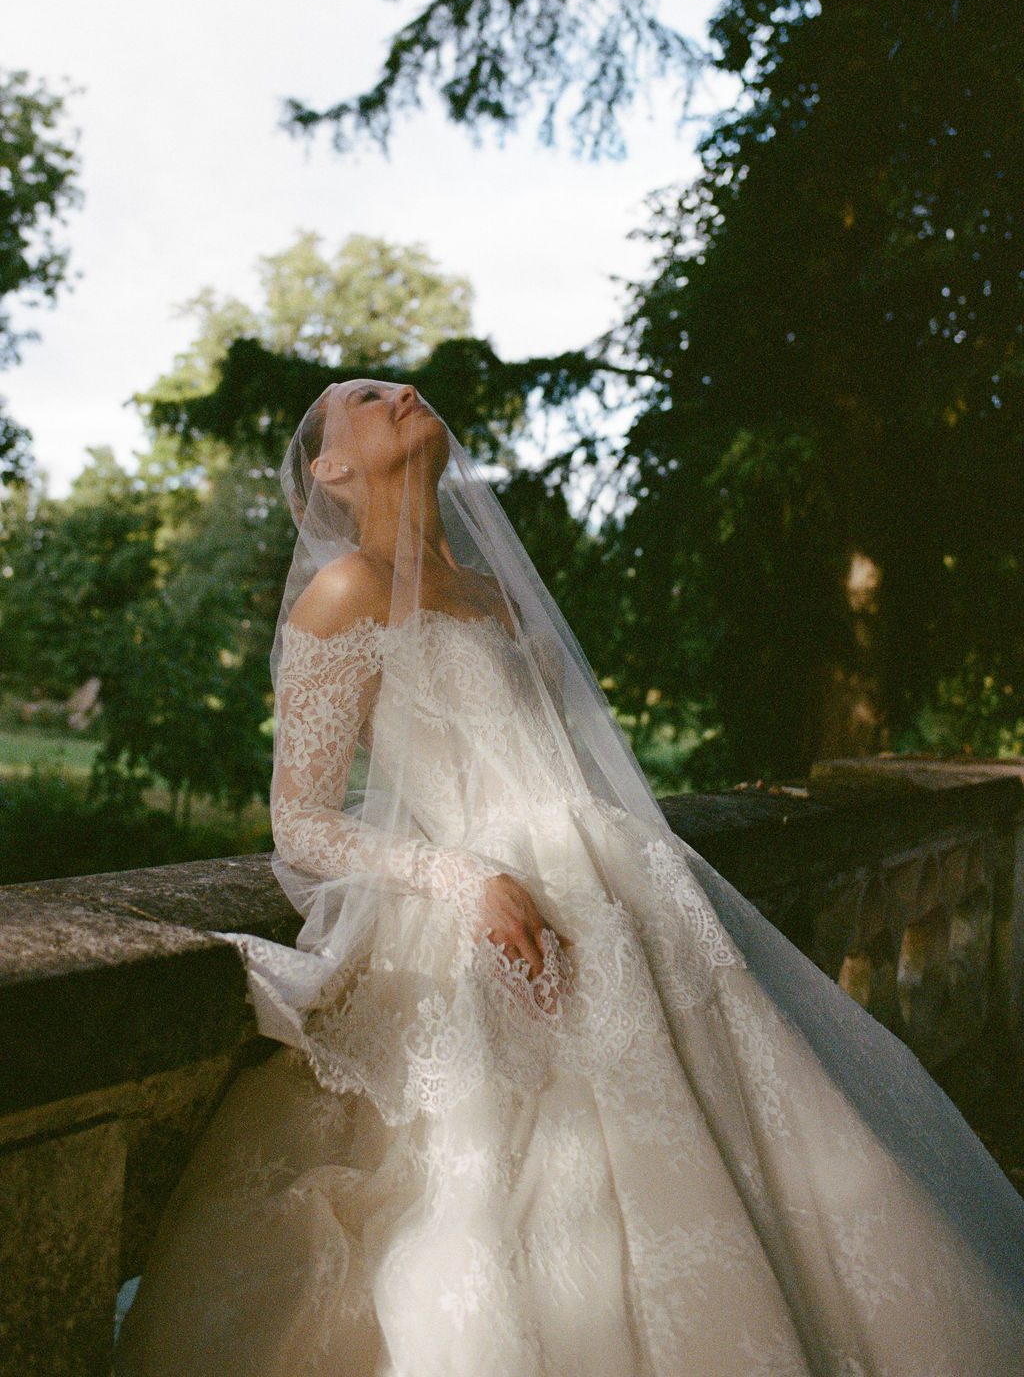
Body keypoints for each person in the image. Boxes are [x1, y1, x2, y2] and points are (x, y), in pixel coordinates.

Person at [115, 379, 1024, 1376]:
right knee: (520, 1191)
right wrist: (464, 876)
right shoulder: (348, 589)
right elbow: (300, 820)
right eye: (368, 398)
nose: (402, 392)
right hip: (488, 911)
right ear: (329, 469)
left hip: (617, 889)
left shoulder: (492, 590)